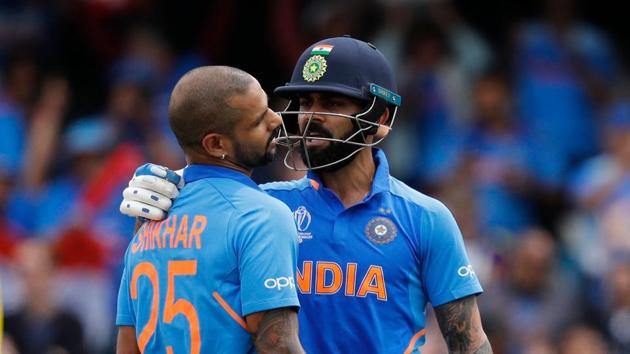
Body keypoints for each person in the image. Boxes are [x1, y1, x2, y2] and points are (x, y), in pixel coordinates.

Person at [121, 37, 491, 353]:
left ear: (379, 118)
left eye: (332, 104)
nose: (310, 116)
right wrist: (174, 184)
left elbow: (470, 342)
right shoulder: (265, 207)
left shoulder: (426, 217)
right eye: (306, 102)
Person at [116, 66, 304, 354]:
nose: (276, 119)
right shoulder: (261, 215)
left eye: (268, 107)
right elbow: (278, 346)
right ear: (216, 144)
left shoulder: (146, 223)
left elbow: (127, 348)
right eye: (257, 120)